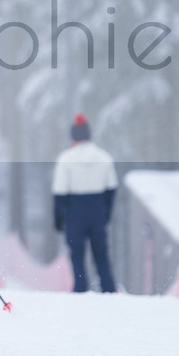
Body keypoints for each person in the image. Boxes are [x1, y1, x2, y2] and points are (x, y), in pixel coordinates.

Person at [53, 113, 118, 293]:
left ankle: (80, 289)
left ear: (73, 135)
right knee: (101, 255)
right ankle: (108, 289)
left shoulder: (66, 159)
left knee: (77, 255)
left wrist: (58, 219)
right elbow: (111, 188)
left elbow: (60, 191)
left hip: (75, 212)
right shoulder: (104, 158)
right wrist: (106, 214)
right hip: (97, 209)